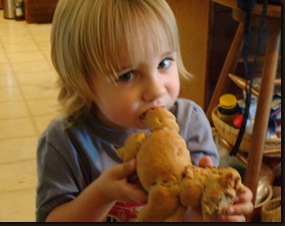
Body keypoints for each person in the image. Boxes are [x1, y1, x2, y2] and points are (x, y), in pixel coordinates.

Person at [36, 0, 254, 222]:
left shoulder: (190, 122)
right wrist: (102, 194)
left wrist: (214, 208)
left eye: (164, 63)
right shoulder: (65, 142)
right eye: (127, 75)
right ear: (81, 84)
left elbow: (192, 213)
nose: (156, 89)